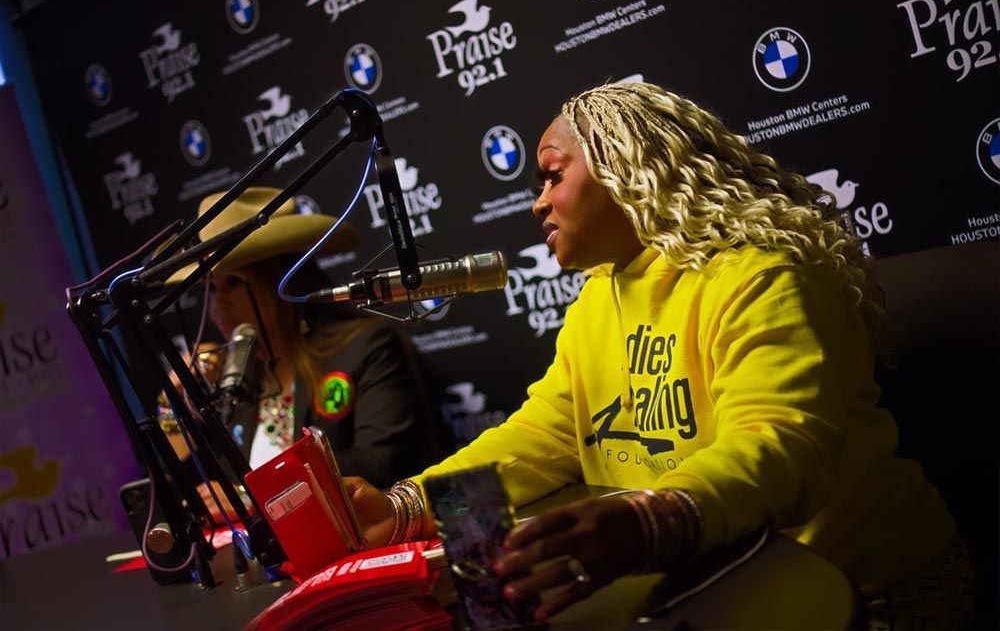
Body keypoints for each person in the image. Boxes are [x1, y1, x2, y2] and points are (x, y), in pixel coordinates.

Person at [343, 82, 972, 628]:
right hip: (727, 589)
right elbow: (544, 435)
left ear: (625, 166)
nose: (537, 203)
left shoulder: (762, 275)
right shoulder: (597, 298)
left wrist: (650, 522)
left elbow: (781, 441)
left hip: (862, 588)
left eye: (553, 176)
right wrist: (409, 507)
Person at [159, 187, 449, 497]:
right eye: (212, 290)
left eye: (234, 284)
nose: (217, 307)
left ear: (281, 283)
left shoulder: (369, 348)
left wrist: (250, 498)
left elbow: (379, 463)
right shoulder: (234, 383)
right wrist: (173, 406)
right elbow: (187, 482)